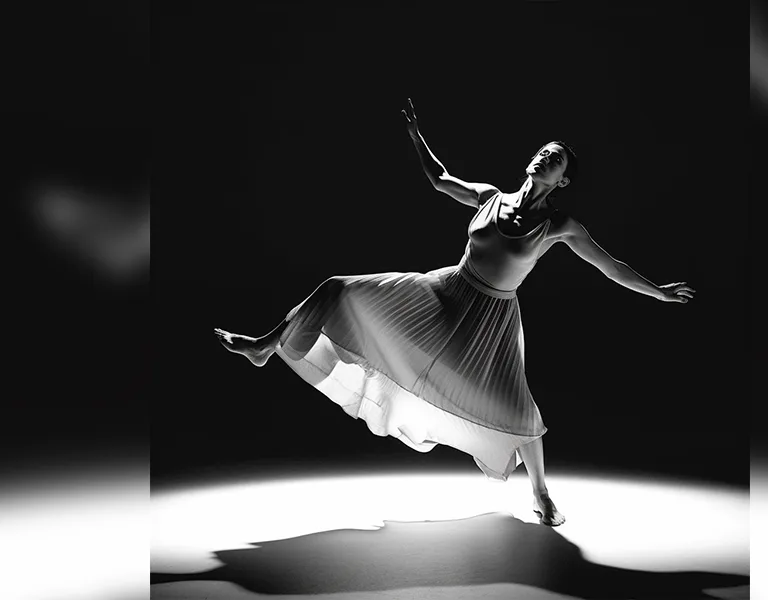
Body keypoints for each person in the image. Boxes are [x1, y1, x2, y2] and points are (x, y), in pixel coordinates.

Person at [215, 98, 695, 526]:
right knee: (339, 288)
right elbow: (440, 180)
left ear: (562, 180)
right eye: (543, 151)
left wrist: (657, 292)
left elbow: (609, 265)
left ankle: (542, 494)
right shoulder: (490, 198)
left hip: (494, 320)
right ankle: (266, 344)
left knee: (518, 409)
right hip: (446, 292)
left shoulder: (558, 224)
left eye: (557, 159)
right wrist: (415, 135)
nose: (545, 157)